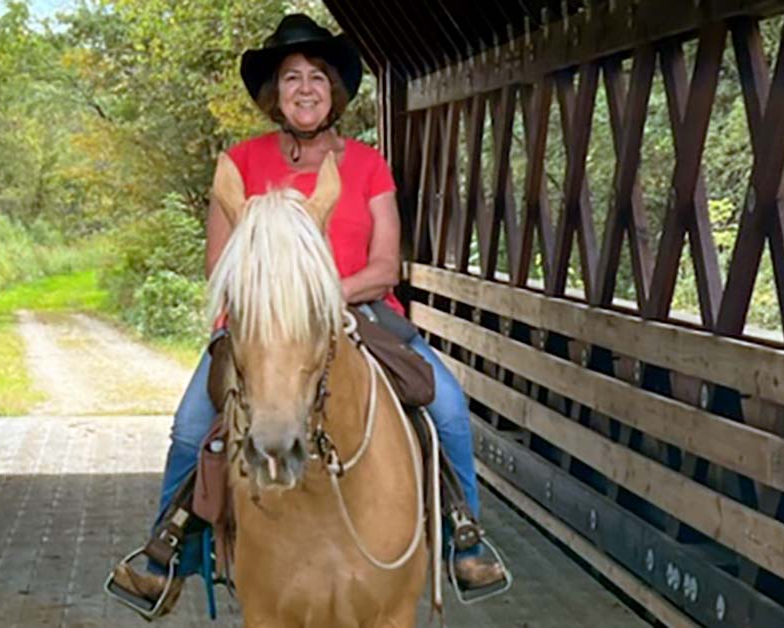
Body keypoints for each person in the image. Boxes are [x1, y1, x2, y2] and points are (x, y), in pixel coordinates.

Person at [111, 13, 505, 613]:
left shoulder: (367, 165)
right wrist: (280, 303)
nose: (305, 88)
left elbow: (384, 266)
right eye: (292, 76)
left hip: (360, 312)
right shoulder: (240, 166)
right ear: (275, 92)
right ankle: (167, 552)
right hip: (261, 324)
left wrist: (321, 296)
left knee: (446, 406)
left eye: (317, 77)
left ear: (334, 91)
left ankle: (463, 536)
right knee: (193, 426)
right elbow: (222, 269)